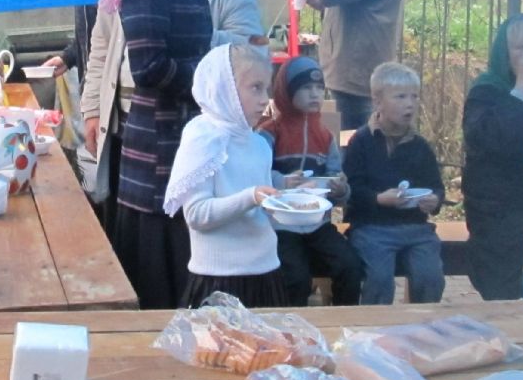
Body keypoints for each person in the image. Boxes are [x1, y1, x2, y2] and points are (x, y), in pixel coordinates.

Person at [100, 0, 222, 309]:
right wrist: (213, 75)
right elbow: (148, 67)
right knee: (162, 279)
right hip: (159, 146)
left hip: (183, 133)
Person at [163, 44, 285, 308]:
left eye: (266, 88)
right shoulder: (204, 138)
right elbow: (196, 214)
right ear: (224, 88)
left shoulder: (259, 144)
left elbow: (262, 211)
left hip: (265, 272)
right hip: (219, 279)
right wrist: (251, 197)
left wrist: (287, 207)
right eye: (255, 88)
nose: (265, 99)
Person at [461, 14, 523, 301]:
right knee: (500, 284)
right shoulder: (486, 90)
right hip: (497, 205)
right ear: (504, 54)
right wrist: (521, 88)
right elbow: (491, 140)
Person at [257, 57, 362, 307]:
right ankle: (294, 327)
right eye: (306, 88)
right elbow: (256, 175)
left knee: (350, 266)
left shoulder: (325, 136)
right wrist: (282, 181)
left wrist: (340, 189)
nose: (315, 94)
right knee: (296, 278)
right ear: (286, 92)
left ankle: (343, 321)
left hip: (318, 224)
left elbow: (336, 177)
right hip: (280, 226)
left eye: (319, 88)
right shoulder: (269, 133)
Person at [343, 62, 446, 305]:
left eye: (414, 96)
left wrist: (434, 200)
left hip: (416, 228)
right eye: (400, 97)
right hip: (371, 228)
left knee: (430, 277)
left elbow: (436, 186)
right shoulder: (361, 141)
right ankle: (376, 324)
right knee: (379, 279)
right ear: (377, 102)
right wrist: (378, 199)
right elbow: (351, 191)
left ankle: (423, 323)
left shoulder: (420, 145)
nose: (410, 104)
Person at [305, 0, 406, 131]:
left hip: (356, 73)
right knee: (345, 136)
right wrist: (322, 3)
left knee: (351, 140)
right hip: (353, 69)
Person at [79, 7, 131, 233]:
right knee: (120, 219)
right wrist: (92, 110)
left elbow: (238, 46)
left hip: (175, 128)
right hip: (119, 127)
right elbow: (100, 51)